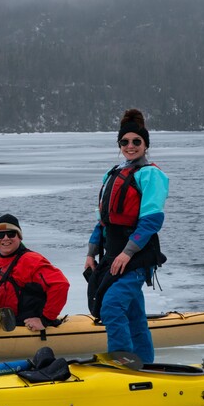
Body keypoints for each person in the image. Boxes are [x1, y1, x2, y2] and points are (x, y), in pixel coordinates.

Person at [84, 108, 169, 363]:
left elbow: (152, 220)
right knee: (133, 314)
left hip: (136, 257)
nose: (130, 146)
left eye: (136, 142)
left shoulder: (151, 174)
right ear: (119, 144)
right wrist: (91, 253)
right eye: (125, 142)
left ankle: (122, 365)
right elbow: (103, 222)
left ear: (145, 145)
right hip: (112, 256)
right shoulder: (113, 174)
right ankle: (144, 364)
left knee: (111, 307)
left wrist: (127, 253)